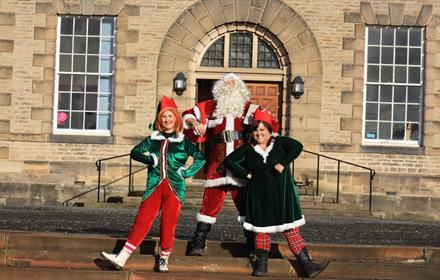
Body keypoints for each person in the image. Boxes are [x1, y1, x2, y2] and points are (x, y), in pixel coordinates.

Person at [101, 96, 206, 272]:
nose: (167, 120)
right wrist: (149, 159)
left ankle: (164, 259)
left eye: (170, 116)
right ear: (159, 119)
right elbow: (135, 152)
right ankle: (122, 257)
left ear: (176, 119)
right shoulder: (153, 139)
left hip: (174, 187)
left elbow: (200, 157)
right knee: (142, 220)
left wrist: (186, 172)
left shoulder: (184, 142)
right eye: (163, 117)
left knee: (168, 223)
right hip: (154, 186)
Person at [223, 108, 329, 278]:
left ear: (270, 131)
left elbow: (297, 146)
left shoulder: (280, 143)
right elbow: (228, 161)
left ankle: (308, 266)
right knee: (261, 231)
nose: (258, 133)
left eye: (262, 130)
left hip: (281, 197)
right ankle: (261, 267)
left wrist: (283, 163)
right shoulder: (248, 150)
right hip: (259, 197)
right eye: (256, 130)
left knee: (291, 231)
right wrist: (246, 174)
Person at [182, 73, 257, 256]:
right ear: (219, 87)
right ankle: (198, 241)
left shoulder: (249, 108)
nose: (229, 85)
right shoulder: (209, 106)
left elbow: (268, 125)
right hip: (218, 162)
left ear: (239, 87)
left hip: (241, 163)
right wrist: (195, 122)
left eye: (233, 83)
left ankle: (253, 244)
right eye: (226, 83)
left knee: (246, 204)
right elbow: (186, 115)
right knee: (210, 202)